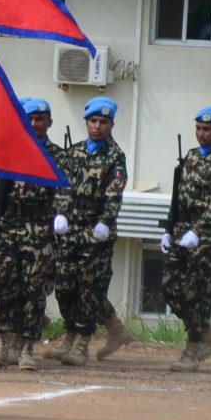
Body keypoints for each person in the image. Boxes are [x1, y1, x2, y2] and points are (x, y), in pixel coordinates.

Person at [48, 96, 130, 363]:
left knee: (89, 287)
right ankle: (71, 334)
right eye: (93, 121)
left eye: (103, 122)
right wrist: (60, 213)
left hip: (96, 231)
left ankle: (82, 342)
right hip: (72, 228)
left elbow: (113, 195)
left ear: (112, 125)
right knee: (63, 285)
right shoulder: (75, 152)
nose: (97, 126)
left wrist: (105, 222)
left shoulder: (115, 156)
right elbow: (63, 187)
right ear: (86, 122)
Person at [0, 97, 59, 370]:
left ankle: (27, 348)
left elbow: (66, 192)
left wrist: (62, 215)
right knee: (1, 285)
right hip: (8, 226)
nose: (35, 123)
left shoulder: (56, 156)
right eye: (30, 118)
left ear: (49, 122)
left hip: (39, 229)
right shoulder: (8, 153)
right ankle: (2, 343)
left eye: (40, 119)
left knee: (34, 290)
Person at [163, 105, 211, 370]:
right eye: (198, 128)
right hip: (182, 230)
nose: (201, 133)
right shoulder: (190, 157)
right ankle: (207, 335)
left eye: (207, 129)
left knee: (198, 294)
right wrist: (168, 228)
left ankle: (192, 349)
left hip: (208, 235)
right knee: (171, 288)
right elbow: (177, 196)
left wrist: (197, 231)